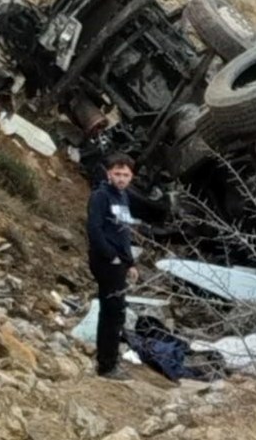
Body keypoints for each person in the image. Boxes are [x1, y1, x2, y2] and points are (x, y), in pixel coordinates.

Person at [87, 153, 140, 380]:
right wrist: (112, 257)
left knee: (115, 312)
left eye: (125, 175)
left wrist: (130, 263)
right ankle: (107, 366)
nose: (121, 178)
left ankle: (109, 360)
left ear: (131, 177)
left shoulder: (123, 197)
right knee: (113, 312)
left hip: (119, 263)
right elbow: (94, 230)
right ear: (109, 173)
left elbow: (123, 234)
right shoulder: (101, 196)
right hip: (106, 262)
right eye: (117, 174)